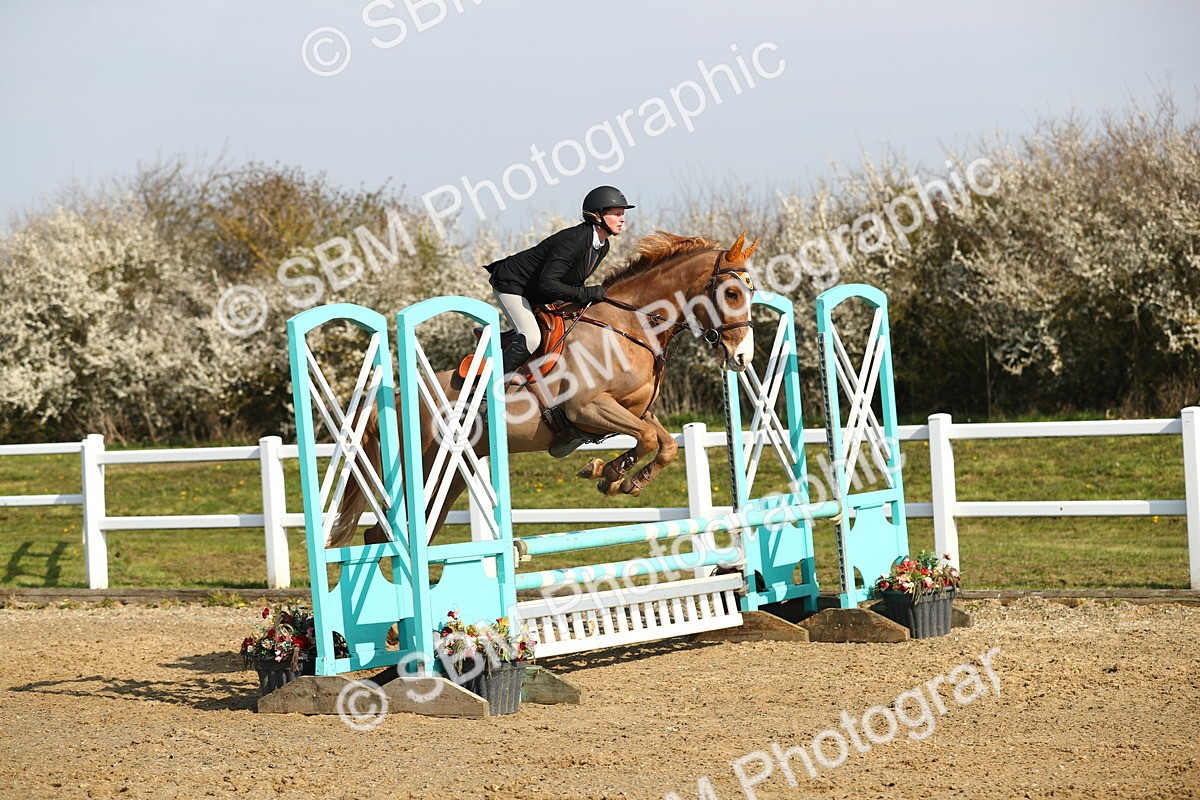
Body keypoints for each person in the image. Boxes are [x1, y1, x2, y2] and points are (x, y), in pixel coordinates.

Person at [485, 185, 634, 375]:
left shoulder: (603, 245)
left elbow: (571, 282)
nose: (622, 219)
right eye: (617, 214)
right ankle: (486, 389)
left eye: (623, 214)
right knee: (531, 337)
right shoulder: (575, 241)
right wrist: (586, 293)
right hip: (512, 284)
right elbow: (548, 283)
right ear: (598, 215)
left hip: (537, 292)